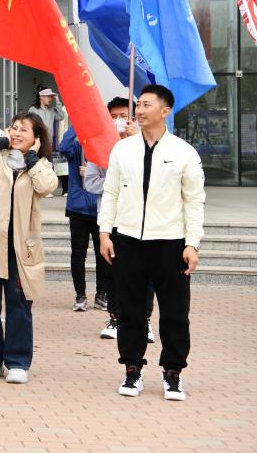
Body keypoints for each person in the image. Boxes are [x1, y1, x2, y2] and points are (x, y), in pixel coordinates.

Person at [98, 84, 205, 402]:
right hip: (128, 241)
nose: (140, 110)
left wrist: (192, 243)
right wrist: (105, 232)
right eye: (139, 105)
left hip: (171, 244)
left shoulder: (184, 152)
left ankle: (173, 373)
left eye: (147, 104)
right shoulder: (122, 150)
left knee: (175, 314)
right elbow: (110, 192)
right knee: (130, 311)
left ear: (165, 110)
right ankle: (132, 369)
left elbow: (194, 201)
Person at [0, 100, 58, 384]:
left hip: (20, 249)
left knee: (19, 306)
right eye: (14, 128)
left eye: (24, 130)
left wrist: (31, 159)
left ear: (36, 138)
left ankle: (17, 361)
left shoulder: (40, 165)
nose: (16, 133)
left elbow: (48, 186)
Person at [84, 98, 154, 342]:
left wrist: (139, 143)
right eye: (113, 117)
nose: (118, 121)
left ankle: (144, 320)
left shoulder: (149, 144)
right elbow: (90, 183)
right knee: (113, 271)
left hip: (142, 220)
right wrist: (118, 182)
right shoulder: (100, 148)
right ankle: (115, 317)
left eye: (123, 116)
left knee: (145, 272)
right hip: (111, 220)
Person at [59, 124, 107, 313]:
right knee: (78, 253)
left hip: (101, 209)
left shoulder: (105, 149)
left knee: (103, 254)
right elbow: (63, 148)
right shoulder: (76, 146)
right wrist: (77, 124)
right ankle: (80, 295)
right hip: (78, 207)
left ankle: (101, 294)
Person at [28, 87, 67, 195]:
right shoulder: (33, 110)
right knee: (37, 165)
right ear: (41, 97)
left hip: (48, 142)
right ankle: (37, 188)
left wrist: (57, 100)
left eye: (51, 96)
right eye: (48, 96)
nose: (50, 98)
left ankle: (47, 190)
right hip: (36, 142)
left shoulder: (51, 111)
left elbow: (61, 116)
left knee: (48, 165)